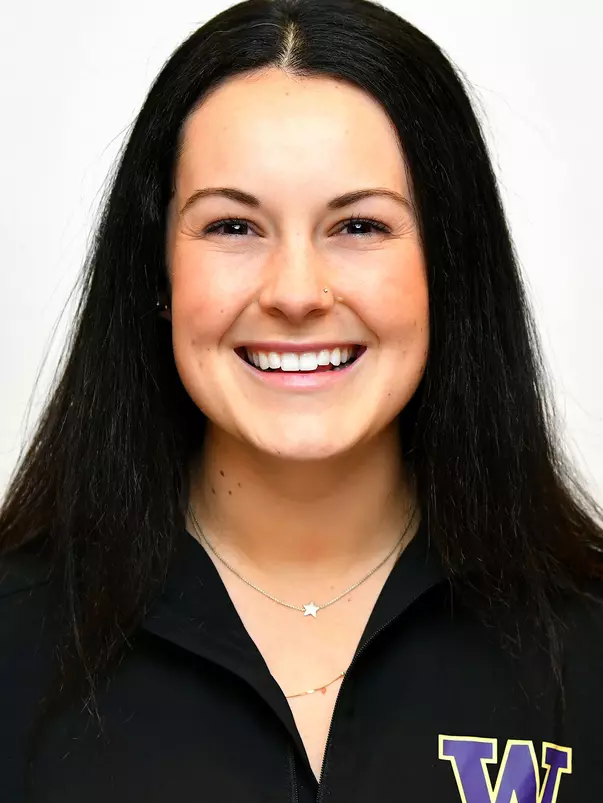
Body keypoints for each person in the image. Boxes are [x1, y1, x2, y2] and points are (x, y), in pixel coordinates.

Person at [1, 0, 602, 800]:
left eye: (357, 226)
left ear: (450, 266)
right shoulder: (14, 640)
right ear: (157, 275)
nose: (294, 292)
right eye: (232, 226)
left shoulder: (586, 638)